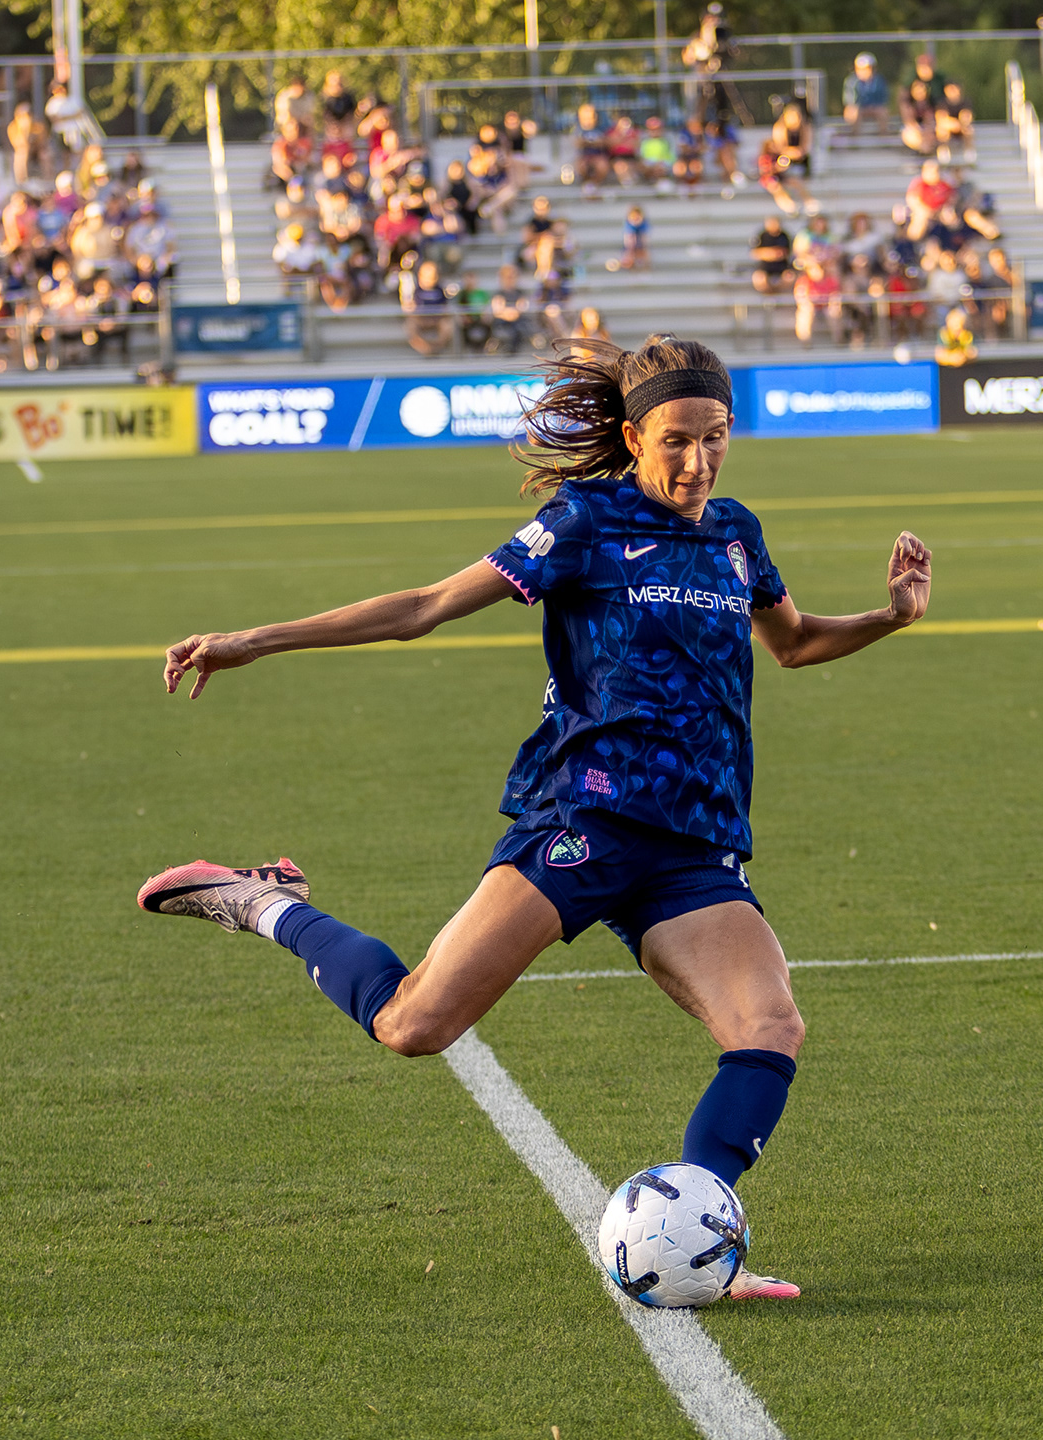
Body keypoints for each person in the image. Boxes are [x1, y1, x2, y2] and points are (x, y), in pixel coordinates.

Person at [141, 338, 932, 1300]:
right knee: (413, 1025)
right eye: (677, 441)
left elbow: (796, 643)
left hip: (693, 845)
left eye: (716, 438)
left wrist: (890, 616)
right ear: (635, 435)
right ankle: (264, 901)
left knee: (769, 1026)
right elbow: (426, 606)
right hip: (583, 822)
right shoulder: (587, 522)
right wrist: (250, 640)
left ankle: (695, 1241)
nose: (698, 462)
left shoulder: (735, 533)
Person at [843, 52, 891, 134]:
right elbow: (850, 101)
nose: (864, 71)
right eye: (861, 69)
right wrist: (862, 106)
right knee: (853, 112)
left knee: (883, 112)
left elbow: (883, 98)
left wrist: (873, 106)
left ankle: (883, 138)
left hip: (875, 107)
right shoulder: (851, 81)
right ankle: (854, 139)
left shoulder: (879, 81)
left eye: (867, 68)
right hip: (858, 108)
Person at [749, 215, 793, 294]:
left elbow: (787, 252)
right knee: (759, 278)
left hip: (781, 266)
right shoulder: (761, 236)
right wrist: (769, 253)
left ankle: (777, 291)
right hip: (765, 267)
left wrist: (778, 254)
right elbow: (754, 253)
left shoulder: (784, 236)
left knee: (789, 277)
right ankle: (768, 293)